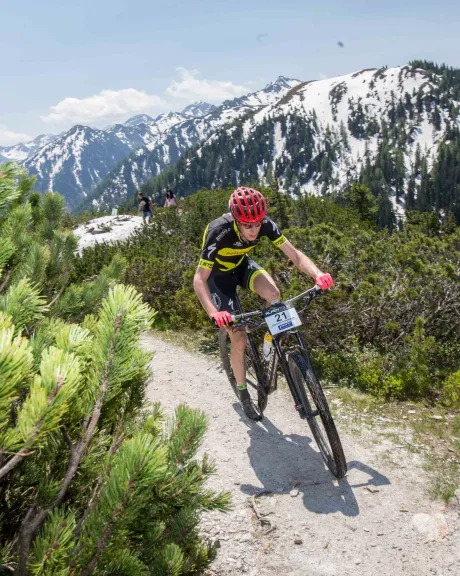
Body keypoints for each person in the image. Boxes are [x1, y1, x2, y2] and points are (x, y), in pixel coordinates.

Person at [193, 186, 334, 421]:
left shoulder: (265, 225)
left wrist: (318, 275)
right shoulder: (218, 231)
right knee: (238, 338)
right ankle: (244, 394)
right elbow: (199, 279)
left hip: (242, 267)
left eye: (258, 223)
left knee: (274, 295)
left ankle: (270, 344)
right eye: (248, 225)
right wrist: (213, 312)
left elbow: (295, 255)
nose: (254, 230)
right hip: (219, 279)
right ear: (236, 220)